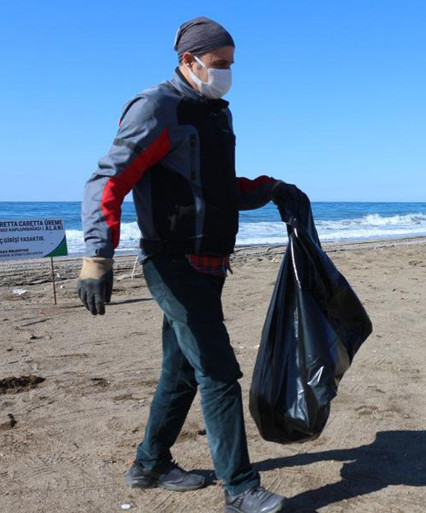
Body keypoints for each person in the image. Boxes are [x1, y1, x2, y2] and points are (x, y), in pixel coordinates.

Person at [77, 16, 304, 513]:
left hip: (210, 263)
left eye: (231, 65)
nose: (226, 73)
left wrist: (271, 189)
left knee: (181, 372)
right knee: (218, 372)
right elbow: (107, 180)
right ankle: (240, 489)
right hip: (173, 263)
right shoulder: (157, 108)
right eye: (219, 64)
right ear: (189, 60)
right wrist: (98, 255)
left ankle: (150, 464)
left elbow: (217, 190)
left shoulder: (214, 113)